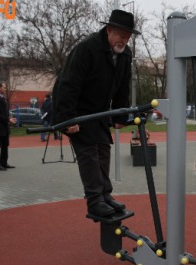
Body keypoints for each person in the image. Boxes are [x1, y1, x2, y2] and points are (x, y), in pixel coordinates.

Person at [53, 9, 140, 217]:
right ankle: (94, 200)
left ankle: (105, 195)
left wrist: (120, 116)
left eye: (128, 37)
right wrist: (68, 119)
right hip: (78, 111)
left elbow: (122, 87)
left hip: (99, 112)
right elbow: (68, 84)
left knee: (103, 150)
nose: (124, 40)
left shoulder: (125, 55)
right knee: (89, 154)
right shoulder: (87, 48)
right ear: (109, 30)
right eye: (121, 35)